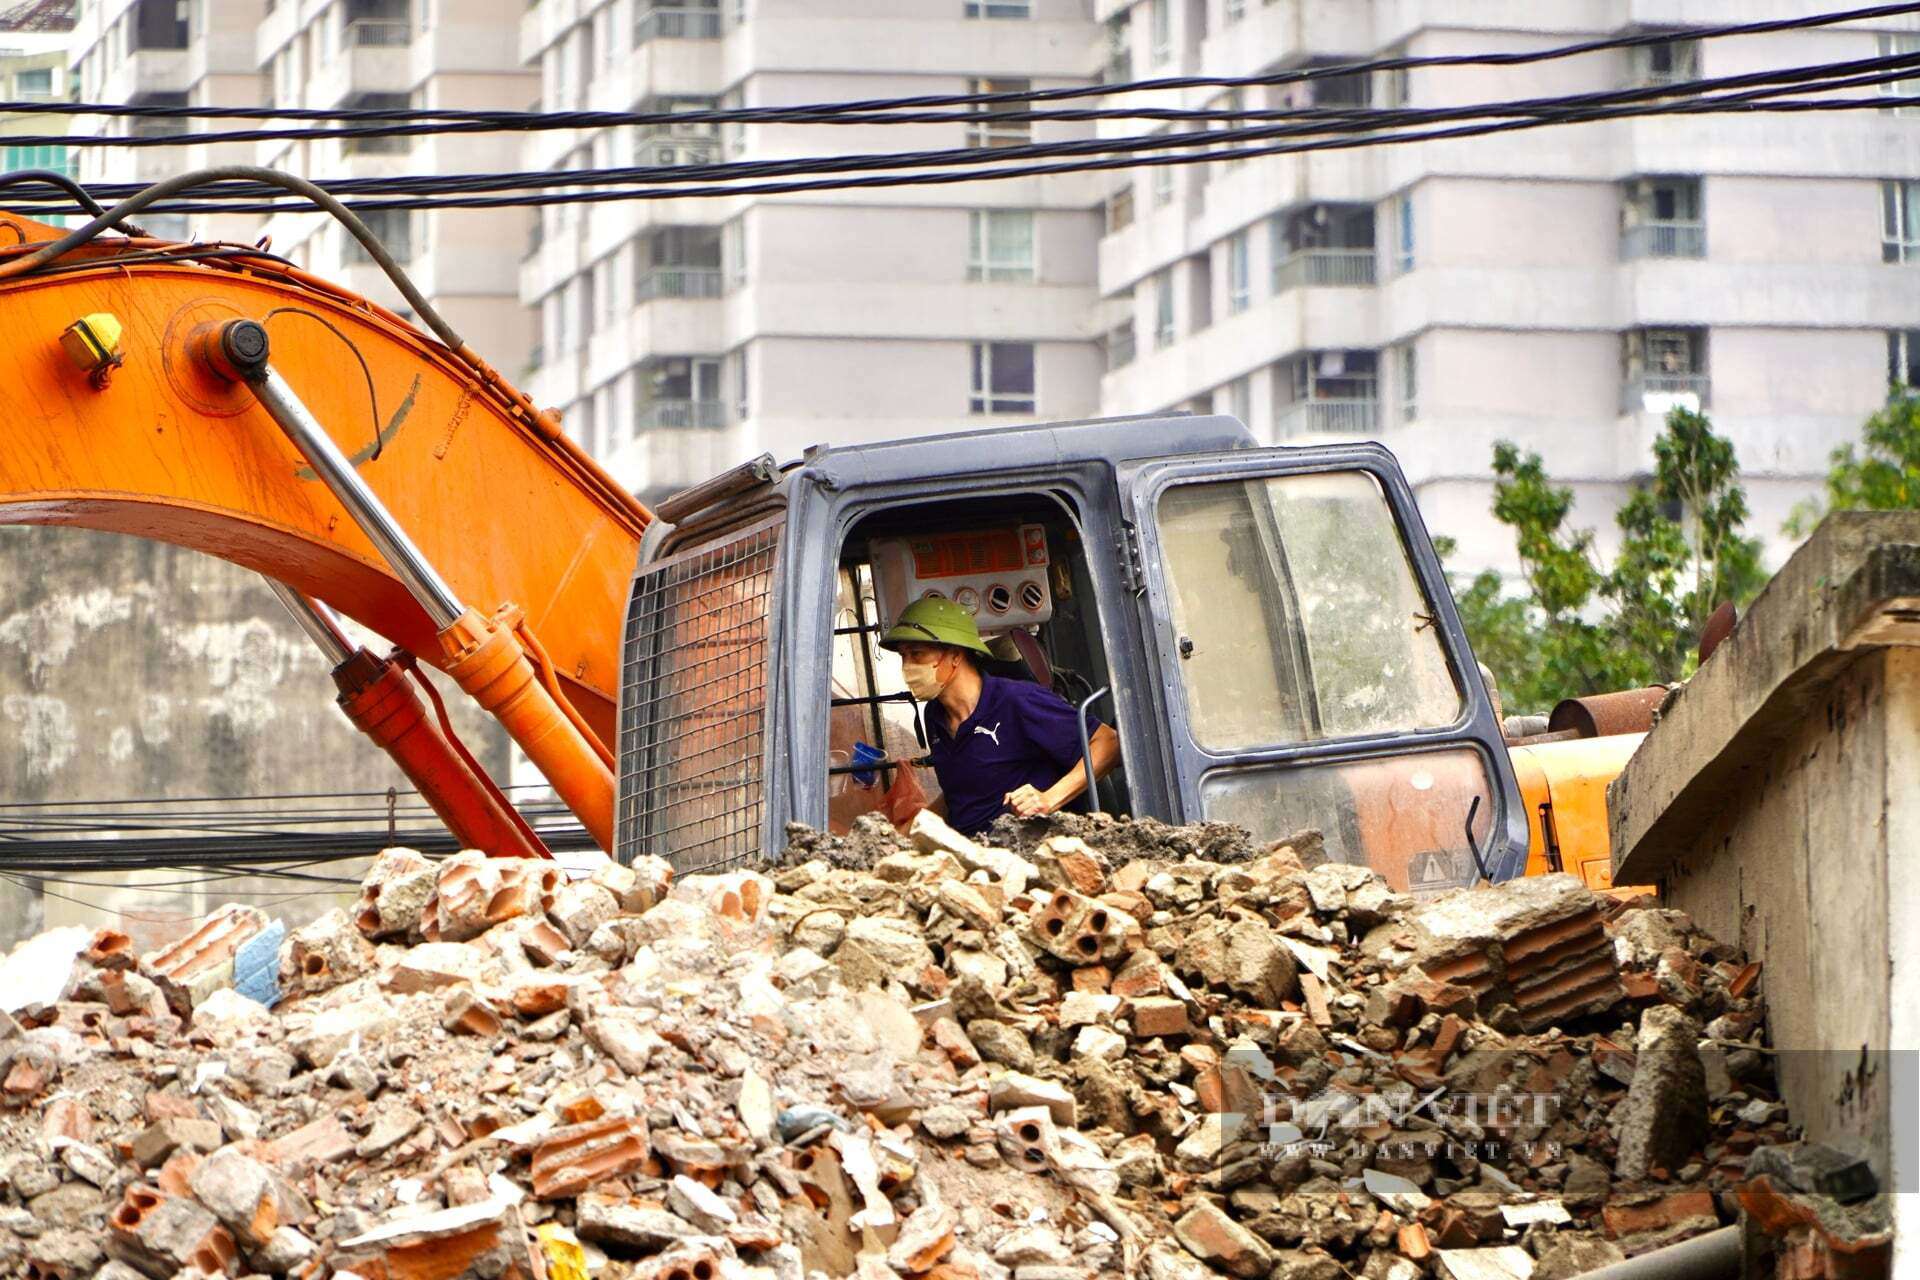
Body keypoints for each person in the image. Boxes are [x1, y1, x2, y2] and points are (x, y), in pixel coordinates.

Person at [878, 596, 1120, 838]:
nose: (907, 666)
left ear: (955, 654)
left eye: (917, 654)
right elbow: (962, 797)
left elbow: (1108, 743)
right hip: (974, 856)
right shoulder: (934, 716)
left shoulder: (1016, 700)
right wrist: (910, 831)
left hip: (1028, 850)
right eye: (903, 656)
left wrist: (1048, 799)